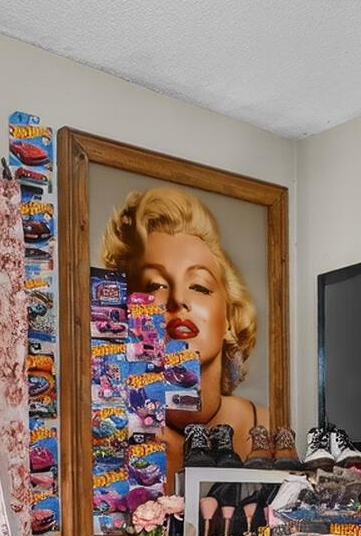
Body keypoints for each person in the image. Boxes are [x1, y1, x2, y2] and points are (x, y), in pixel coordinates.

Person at [96, 185, 266, 477]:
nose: (178, 300)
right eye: (155, 286)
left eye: (199, 286)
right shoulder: (109, 432)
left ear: (229, 314)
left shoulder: (265, 423)